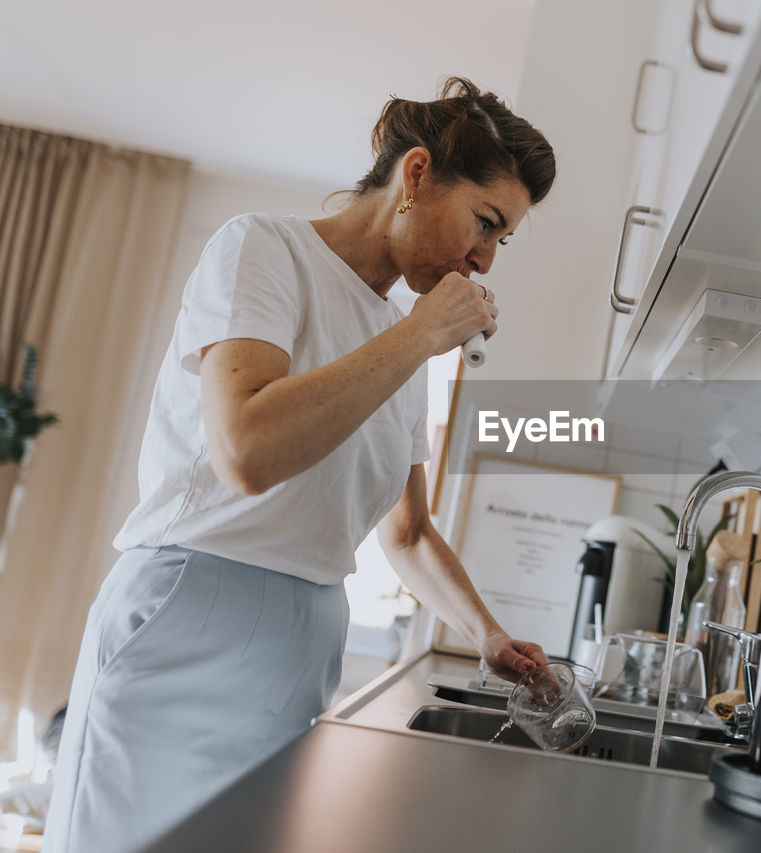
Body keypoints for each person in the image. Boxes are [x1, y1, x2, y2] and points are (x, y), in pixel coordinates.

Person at [44, 77, 554, 853]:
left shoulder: (401, 338)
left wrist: (484, 631)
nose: (484, 259)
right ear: (415, 176)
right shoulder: (263, 248)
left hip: (302, 642)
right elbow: (247, 449)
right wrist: (419, 337)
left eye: (500, 242)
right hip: (190, 614)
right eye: (485, 224)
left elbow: (409, 535)